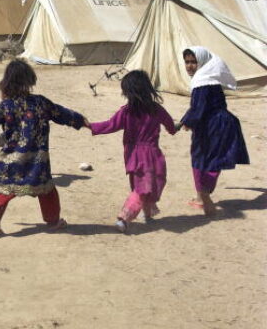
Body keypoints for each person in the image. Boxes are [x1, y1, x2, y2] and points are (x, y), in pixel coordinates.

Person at [0, 60, 86, 235]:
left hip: (10, 159)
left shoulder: (6, 106)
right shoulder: (41, 102)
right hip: (37, 160)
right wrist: (82, 121)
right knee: (46, 190)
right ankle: (53, 221)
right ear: (29, 80)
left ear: (7, 83)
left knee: (3, 191)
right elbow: (62, 113)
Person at [88, 70, 177, 233]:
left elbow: (110, 125)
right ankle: (124, 218)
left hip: (132, 155)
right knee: (144, 188)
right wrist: (173, 129)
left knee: (140, 185)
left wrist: (90, 126)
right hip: (150, 155)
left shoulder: (126, 111)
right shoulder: (156, 109)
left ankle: (147, 214)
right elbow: (170, 124)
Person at [177, 47, 249, 215]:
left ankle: (202, 196)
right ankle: (203, 194)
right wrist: (185, 121)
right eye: (187, 62)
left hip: (214, 126)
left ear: (201, 62)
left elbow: (198, 108)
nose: (189, 66)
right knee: (211, 159)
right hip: (217, 124)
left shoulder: (203, 81)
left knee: (202, 158)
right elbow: (198, 108)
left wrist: (187, 122)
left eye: (193, 62)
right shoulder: (209, 79)